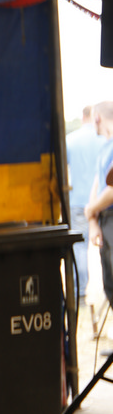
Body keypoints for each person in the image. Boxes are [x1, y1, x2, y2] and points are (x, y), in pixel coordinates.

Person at [66, 104, 104, 299]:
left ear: (83, 117)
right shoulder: (104, 140)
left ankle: (79, 291)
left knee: (80, 247)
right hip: (103, 202)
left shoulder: (70, 140)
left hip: (78, 202)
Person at [85, 101, 113, 310]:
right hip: (104, 218)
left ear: (97, 118)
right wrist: (92, 219)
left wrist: (91, 210)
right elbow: (97, 184)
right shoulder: (104, 147)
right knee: (108, 282)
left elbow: (111, 191)